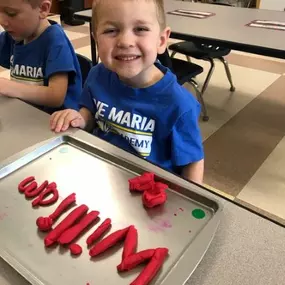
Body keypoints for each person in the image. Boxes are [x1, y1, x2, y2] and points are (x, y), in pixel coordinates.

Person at [50, 0, 204, 184]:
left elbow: (192, 162)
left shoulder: (179, 105)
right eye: (110, 31)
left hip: (150, 190)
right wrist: (79, 118)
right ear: (96, 39)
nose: (125, 42)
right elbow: (89, 113)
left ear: (161, 40)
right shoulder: (97, 75)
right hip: (101, 174)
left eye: (140, 29)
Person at [0, 0, 82, 114]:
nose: (2, 22)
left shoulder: (55, 42)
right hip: (26, 114)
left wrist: (9, 87)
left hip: (56, 123)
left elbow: (56, 97)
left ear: (43, 9)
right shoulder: (15, 35)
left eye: (10, 13)